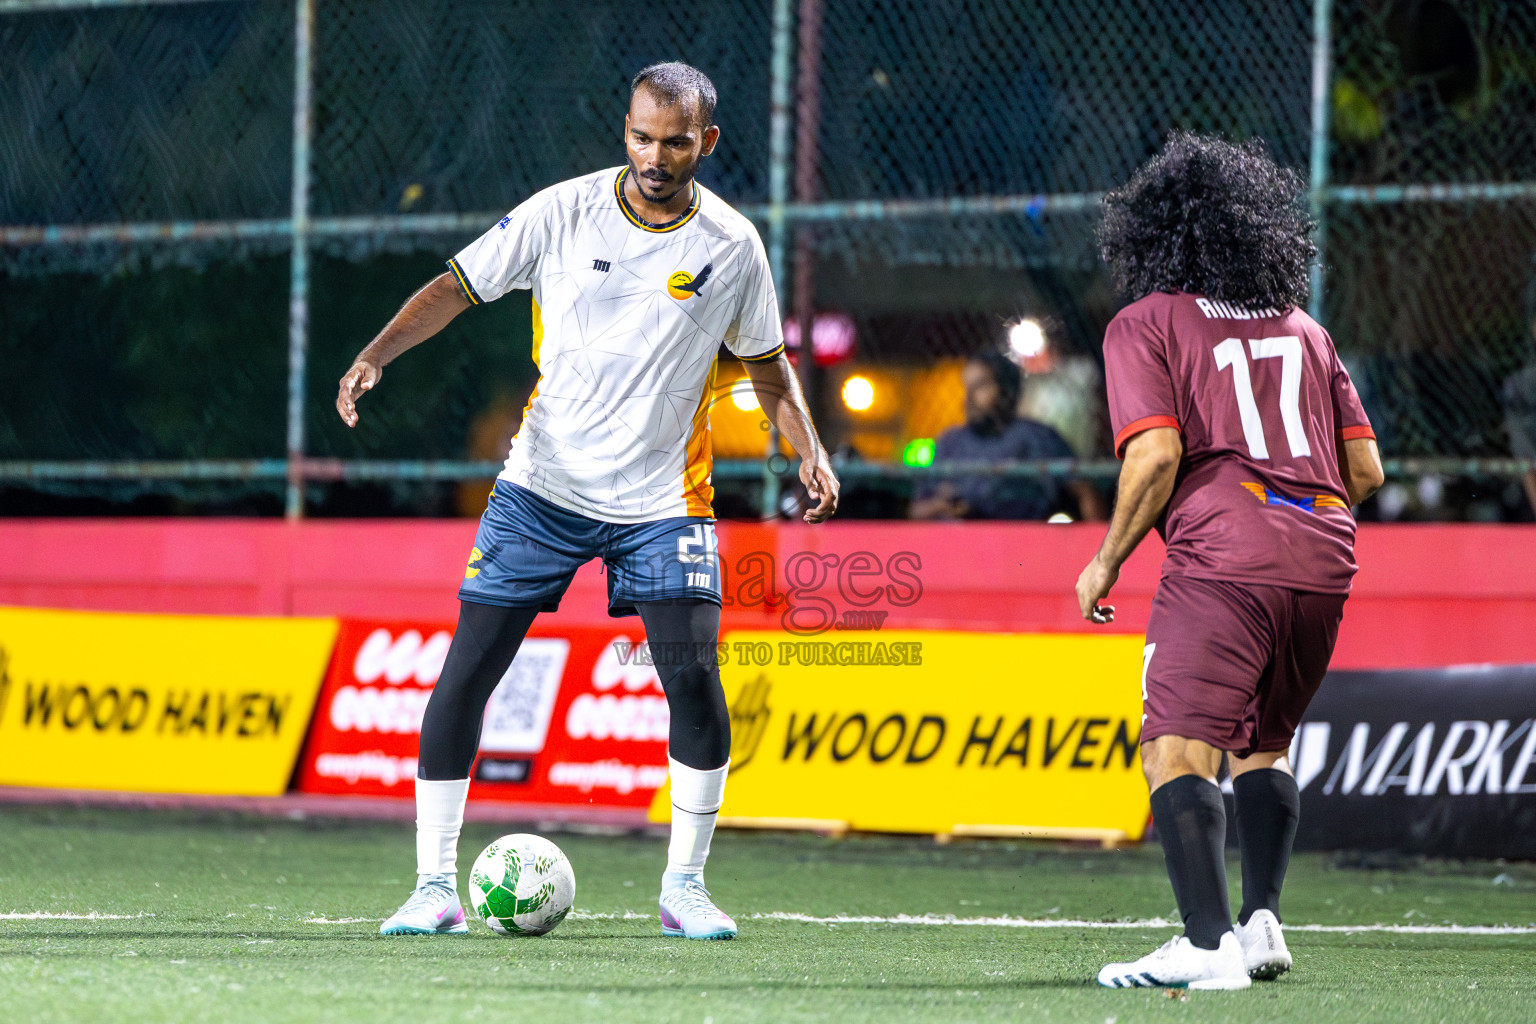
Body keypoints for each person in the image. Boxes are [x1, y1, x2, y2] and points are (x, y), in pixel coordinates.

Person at [335, 62, 839, 941]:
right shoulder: (559, 211)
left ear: (706, 143)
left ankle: (684, 886)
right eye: (642, 136)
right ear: (626, 132)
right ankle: (432, 887)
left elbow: (768, 367)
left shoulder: (733, 245)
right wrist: (378, 352)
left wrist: (811, 452)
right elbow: (458, 285)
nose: (655, 154)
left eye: (676, 141)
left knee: (693, 680)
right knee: (467, 674)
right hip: (541, 490)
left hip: (664, 503)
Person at [1075, 132, 1383, 989]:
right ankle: (1259, 924)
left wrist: (1104, 562)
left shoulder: (1146, 321)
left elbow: (1156, 455)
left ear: (1152, 235)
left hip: (1224, 556)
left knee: (1174, 747)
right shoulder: (1307, 330)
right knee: (1264, 744)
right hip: (1324, 556)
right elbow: (1365, 471)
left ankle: (1208, 948)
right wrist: (1290, 518)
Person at [910, 351, 1102, 520]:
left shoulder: (1036, 437)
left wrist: (1101, 553)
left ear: (1005, 390)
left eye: (981, 386)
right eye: (967, 387)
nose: (969, 398)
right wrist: (942, 506)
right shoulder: (950, 442)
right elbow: (917, 510)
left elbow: (1085, 492)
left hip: (1021, 546)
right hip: (957, 546)